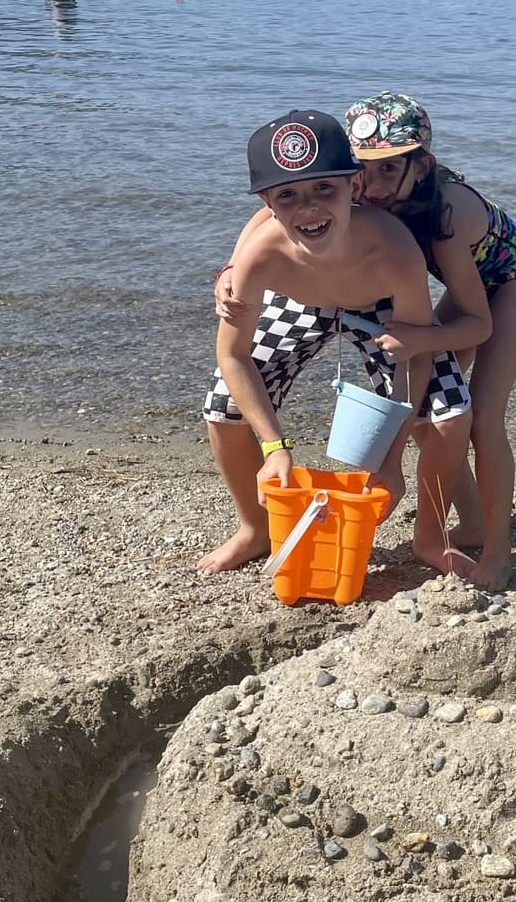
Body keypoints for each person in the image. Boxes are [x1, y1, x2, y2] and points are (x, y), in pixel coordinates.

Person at [197, 110, 475, 578]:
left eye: (324, 189)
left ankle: (429, 537)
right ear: (268, 202)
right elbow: (232, 354)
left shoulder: (395, 251)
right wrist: (274, 448)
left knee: (449, 413)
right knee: (223, 409)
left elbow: (417, 355)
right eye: (288, 196)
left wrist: (391, 461)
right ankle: (255, 527)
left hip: (379, 307)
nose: (309, 209)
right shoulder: (257, 257)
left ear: (353, 186)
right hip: (302, 302)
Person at [344, 93, 516, 590]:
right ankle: (471, 520)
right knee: (431, 407)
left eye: (389, 170)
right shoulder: (370, 191)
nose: (372, 186)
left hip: (511, 283)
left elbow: (480, 324)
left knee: (483, 419)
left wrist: (421, 336)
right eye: (363, 169)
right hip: (467, 286)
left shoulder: (444, 214)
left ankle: (498, 551)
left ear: (422, 165)